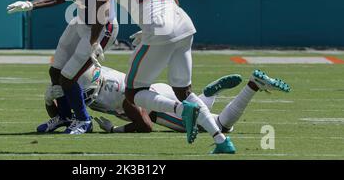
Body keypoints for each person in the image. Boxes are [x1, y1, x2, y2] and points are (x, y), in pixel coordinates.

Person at [89, 0, 236, 154]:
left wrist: (94, 41)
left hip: (160, 27)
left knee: (133, 93)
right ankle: (221, 141)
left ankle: (181, 111)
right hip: (183, 21)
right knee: (184, 92)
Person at [6, 0, 118, 134]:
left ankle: (84, 121)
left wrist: (32, 4)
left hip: (100, 26)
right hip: (83, 19)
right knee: (55, 70)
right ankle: (64, 116)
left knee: (68, 77)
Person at [43, 61, 291, 138]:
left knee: (220, 126)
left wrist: (115, 130)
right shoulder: (98, 76)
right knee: (201, 111)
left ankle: (252, 86)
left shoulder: (119, 95)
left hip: (155, 107)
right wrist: (48, 101)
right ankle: (209, 94)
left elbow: (146, 126)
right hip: (158, 89)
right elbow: (65, 117)